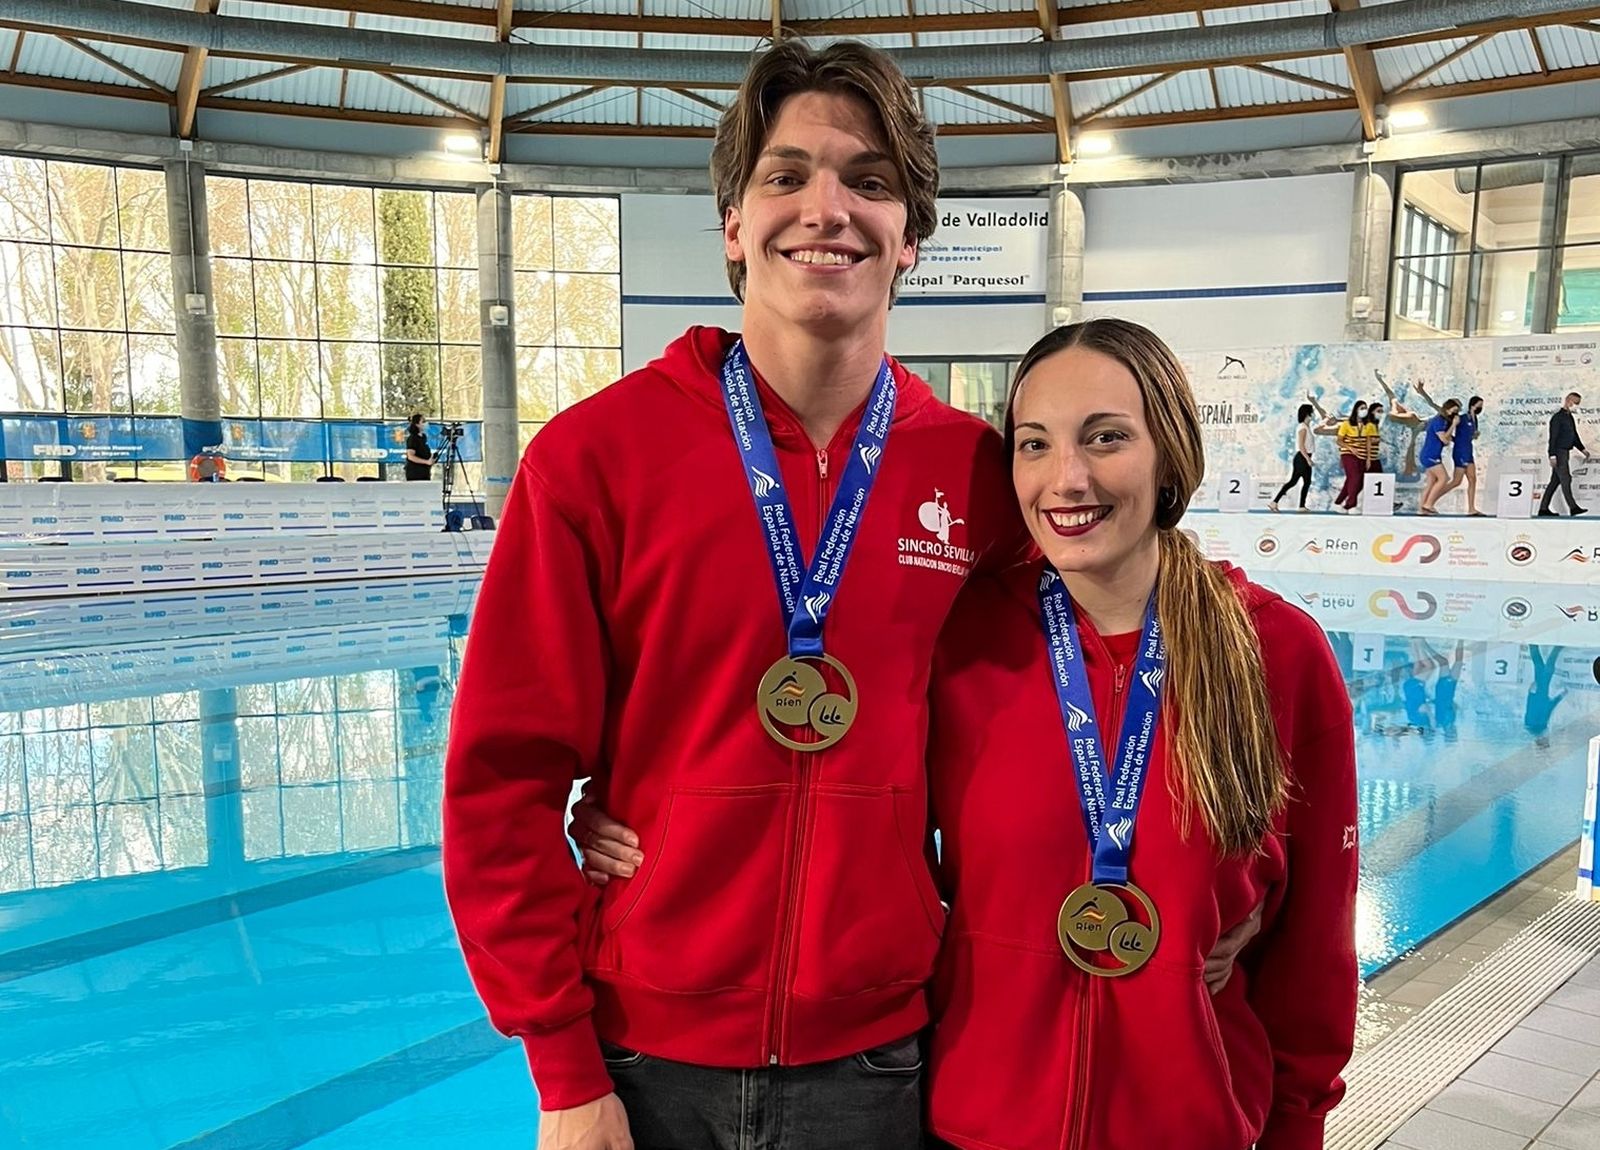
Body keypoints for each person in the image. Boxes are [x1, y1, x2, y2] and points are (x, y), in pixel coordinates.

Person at [580, 320, 1358, 1150]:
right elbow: (830, 791)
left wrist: (1294, 1127)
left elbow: (1313, 946)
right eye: (1034, 443)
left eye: (1107, 438)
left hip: (1191, 1125)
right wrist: (637, 809)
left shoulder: (1275, 653)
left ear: (1170, 451)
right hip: (972, 1128)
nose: (1069, 477)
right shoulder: (967, 636)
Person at [442, 39, 1023, 1150]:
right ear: (731, 225)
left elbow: (1064, 714)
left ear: (911, 237)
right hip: (640, 1061)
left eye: (868, 180)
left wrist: (1201, 883)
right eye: (785, 174)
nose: (827, 207)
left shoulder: (975, 478)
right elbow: (501, 779)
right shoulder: (595, 460)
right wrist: (564, 1071)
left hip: (879, 1061)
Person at [1268, 403, 1334, 513]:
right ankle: (1278, 503)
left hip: (1304, 457)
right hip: (1302, 458)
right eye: (1312, 412)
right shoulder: (1302, 427)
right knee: (1297, 482)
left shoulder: (1307, 427)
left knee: (1301, 482)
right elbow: (1301, 445)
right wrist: (1308, 459)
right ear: (1307, 414)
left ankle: (1295, 505)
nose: (1313, 414)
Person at [1538, 392, 1589, 517]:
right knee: (1566, 478)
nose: (1576, 405)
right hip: (1559, 452)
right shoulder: (1557, 417)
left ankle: (1543, 509)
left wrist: (1582, 449)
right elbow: (1553, 437)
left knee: (1555, 481)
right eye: (1575, 402)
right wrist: (1552, 455)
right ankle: (1573, 507)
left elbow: (1574, 436)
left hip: (1565, 451)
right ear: (1568, 400)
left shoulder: (1569, 417)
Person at [1415, 397, 1461, 515]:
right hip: (1430, 455)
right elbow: (1445, 440)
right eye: (1454, 410)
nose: (1455, 414)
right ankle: (1428, 505)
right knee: (1444, 478)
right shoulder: (1439, 421)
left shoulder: (1443, 421)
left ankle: (1421, 509)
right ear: (1447, 409)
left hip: (1432, 454)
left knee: (1431, 482)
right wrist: (1454, 425)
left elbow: (1447, 439)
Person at [1332, 401, 1369, 513]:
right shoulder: (1346, 424)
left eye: (1366, 408)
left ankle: (1338, 503)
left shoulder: (1367, 425)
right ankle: (1351, 505)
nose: (1364, 410)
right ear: (1356, 410)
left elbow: (1367, 442)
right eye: (1362, 408)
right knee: (1355, 477)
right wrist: (1350, 448)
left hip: (1362, 456)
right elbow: (1339, 440)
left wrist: (1368, 459)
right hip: (1349, 454)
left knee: (1354, 481)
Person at [404, 413, 436, 481]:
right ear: (417, 424)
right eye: (423, 421)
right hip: (415, 473)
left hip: (425, 472)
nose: (425, 423)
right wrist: (426, 462)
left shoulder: (423, 437)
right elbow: (411, 456)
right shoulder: (412, 438)